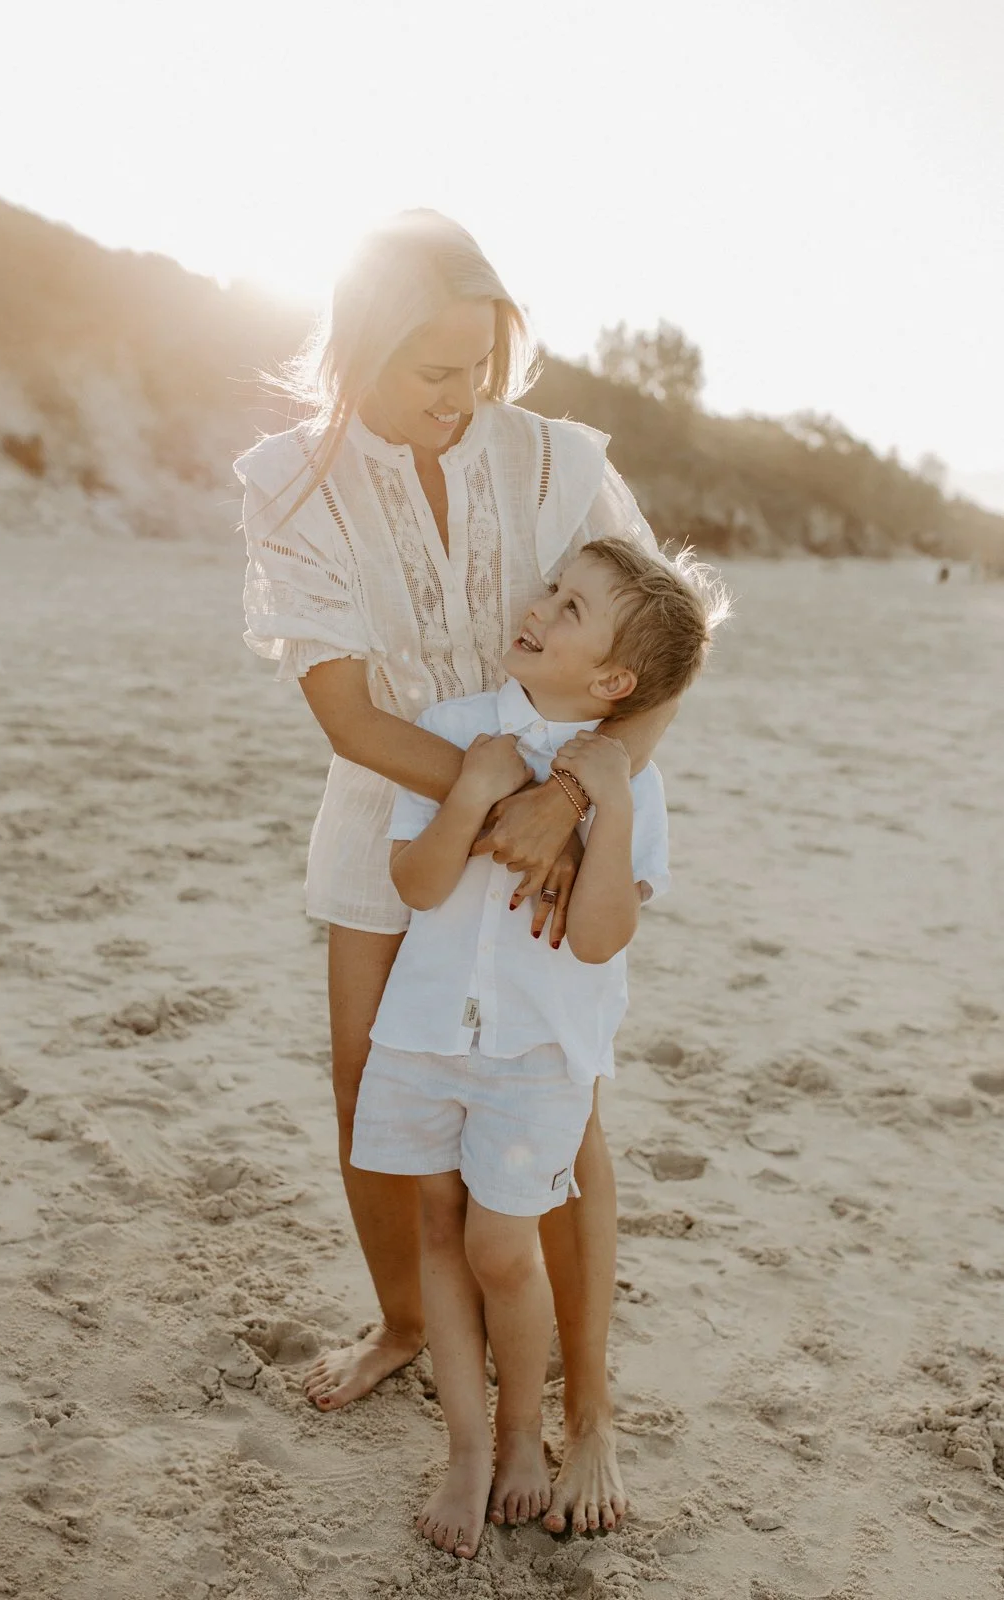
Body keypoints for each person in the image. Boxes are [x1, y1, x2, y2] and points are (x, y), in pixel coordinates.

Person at [235, 209, 679, 1534]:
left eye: (479, 362)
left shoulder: (554, 461)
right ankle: (399, 1327)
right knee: (372, 1080)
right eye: (432, 366)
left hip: (559, 821)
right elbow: (355, 721)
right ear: (357, 349)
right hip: (399, 814)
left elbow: (660, 655)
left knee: (556, 1111)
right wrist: (498, 802)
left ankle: (586, 1413)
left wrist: (574, 795)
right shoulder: (288, 484)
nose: (463, 394)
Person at [351, 538, 727, 1558]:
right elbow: (419, 884)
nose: (536, 609)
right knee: (438, 1224)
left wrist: (597, 806)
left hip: (538, 1056)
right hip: (425, 1034)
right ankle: (465, 1447)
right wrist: (473, 790)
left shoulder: (630, 786)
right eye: (549, 591)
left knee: (501, 1249)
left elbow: (602, 934)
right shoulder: (457, 729)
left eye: (568, 609)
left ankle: (524, 1433)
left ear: (612, 681)